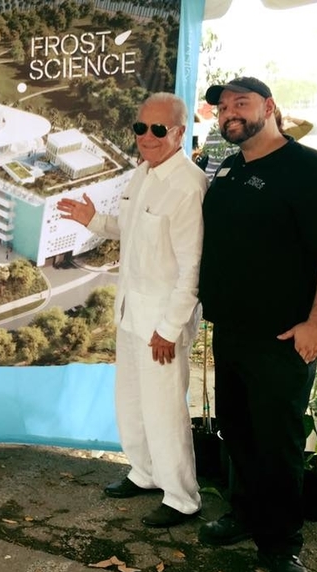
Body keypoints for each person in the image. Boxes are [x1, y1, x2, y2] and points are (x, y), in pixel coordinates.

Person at [198, 77, 317, 572]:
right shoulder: (229, 167)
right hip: (233, 333)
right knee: (239, 434)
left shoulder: (310, 170)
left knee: (280, 443)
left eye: (240, 104)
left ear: (269, 107)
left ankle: (283, 544)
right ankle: (245, 516)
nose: (230, 114)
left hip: (284, 338)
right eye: (223, 107)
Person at [57, 93, 207, 528]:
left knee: (164, 410)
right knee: (132, 403)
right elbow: (128, 227)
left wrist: (169, 327)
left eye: (158, 130)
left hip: (162, 322)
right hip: (130, 314)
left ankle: (182, 497)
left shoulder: (189, 185)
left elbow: (192, 268)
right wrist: (91, 220)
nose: (147, 137)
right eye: (141, 128)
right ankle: (144, 474)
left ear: (179, 132)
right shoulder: (142, 173)